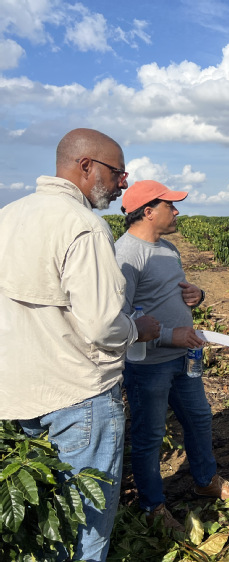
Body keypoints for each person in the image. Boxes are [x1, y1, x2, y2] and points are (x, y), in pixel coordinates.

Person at [0, 128, 160, 562]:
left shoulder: (8, 216)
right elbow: (103, 324)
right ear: (86, 166)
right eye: (118, 172)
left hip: (17, 392)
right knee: (85, 523)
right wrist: (137, 329)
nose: (123, 183)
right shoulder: (84, 226)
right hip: (78, 393)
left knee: (47, 520)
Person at [115, 180, 229, 530]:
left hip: (183, 359)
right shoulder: (126, 255)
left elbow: (171, 294)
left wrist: (196, 296)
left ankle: (205, 480)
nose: (177, 211)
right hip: (148, 366)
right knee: (150, 436)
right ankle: (152, 506)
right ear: (148, 212)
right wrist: (171, 335)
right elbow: (121, 319)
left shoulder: (168, 249)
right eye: (170, 205)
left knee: (199, 418)